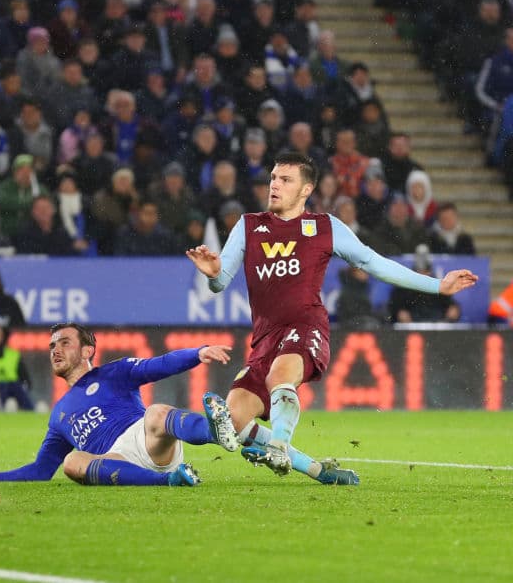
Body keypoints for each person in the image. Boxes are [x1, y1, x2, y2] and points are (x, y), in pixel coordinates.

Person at [186, 152, 477, 482]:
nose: (275, 185)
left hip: (306, 326)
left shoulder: (324, 227)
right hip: (265, 338)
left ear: (306, 190)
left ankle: (278, 446)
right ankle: (318, 470)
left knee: (280, 377)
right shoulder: (249, 226)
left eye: (285, 180)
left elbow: (373, 262)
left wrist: (437, 285)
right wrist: (213, 273)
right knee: (234, 422)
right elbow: (220, 282)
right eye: (273, 178)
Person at [0, 322, 239, 487]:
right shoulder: (59, 415)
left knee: (157, 412)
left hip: (148, 441)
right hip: (114, 461)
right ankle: (170, 481)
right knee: (72, 463)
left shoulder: (115, 372)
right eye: (52, 345)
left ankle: (216, 432)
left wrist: (197, 352)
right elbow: (41, 470)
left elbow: (160, 364)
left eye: (64, 342)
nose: (55, 350)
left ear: (87, 351)